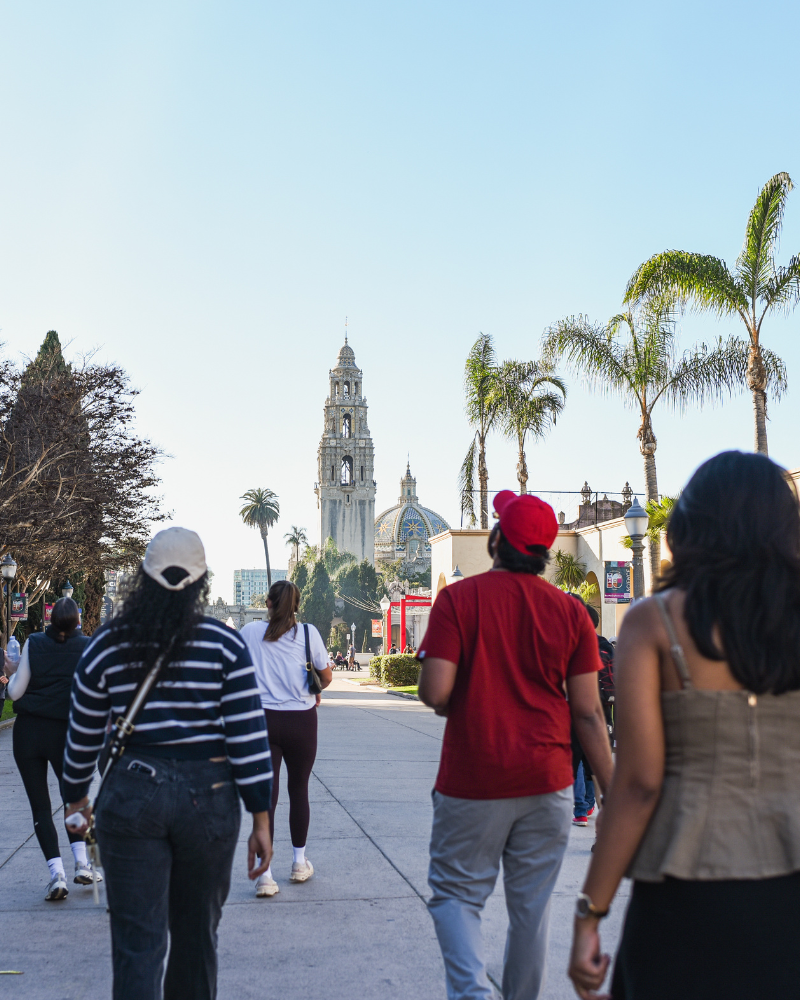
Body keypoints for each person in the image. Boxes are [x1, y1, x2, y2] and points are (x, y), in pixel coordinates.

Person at [569, 451, 800, 1000]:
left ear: (690, 527)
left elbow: (639, 785)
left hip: (686, 891)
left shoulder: (655, 621)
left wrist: (589, 914)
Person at [418, 490, 614, 1000]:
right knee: (532, 911)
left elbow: (435, 691)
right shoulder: (571, 613)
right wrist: (610, 792)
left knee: (456, 896)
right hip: (547, 782)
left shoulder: (458, 599)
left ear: (496, 540)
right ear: (545, 551)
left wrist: (468, 697)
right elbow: (589, 713)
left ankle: (472, 993)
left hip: (472, 779)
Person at [62, 528, 273, 1000]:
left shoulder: (107, 644)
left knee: (137, 945)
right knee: (197, 939)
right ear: (201, 581)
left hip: (131, 794)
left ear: (143, 578)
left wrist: (76, 798)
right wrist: (261, 818)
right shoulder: (225, 646)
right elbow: (248, 739)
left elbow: (82, 733)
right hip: (210, 799)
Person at [239, 579, 332, 898]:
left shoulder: (250, 632)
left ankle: (264, 875)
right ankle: (298, 862)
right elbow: (326, 675)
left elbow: (235, 670)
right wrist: (311, 689)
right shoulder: (308, 633)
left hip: (262, 720)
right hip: (301, 721)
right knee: (299, 789)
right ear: (296, 605)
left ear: (267, 603)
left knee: (267, 797)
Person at [3, 598, 97, 900]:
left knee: (41, 806)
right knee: (73, 800)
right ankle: (82, 864)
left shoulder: (35, 642)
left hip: (29, 733)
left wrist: (11, 673)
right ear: (78, 621)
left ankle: (57, 875)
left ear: (50, 620)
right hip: (66, 733)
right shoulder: (87, 647)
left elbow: (15, 691)